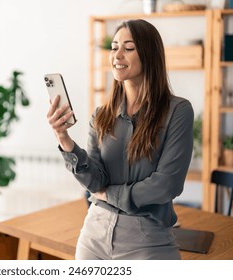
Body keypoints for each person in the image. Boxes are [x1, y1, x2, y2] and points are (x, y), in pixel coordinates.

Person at [46, 19, 194, 260]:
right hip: (94, 235)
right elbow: (95, 181)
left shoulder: (177, 111)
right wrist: (64, 139)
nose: (117, 54)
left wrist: (109, 195)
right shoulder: (101, 115)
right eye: (114, 47)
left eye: (128, 47)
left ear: (149, 54)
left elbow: (167, 186)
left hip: (147, 239)